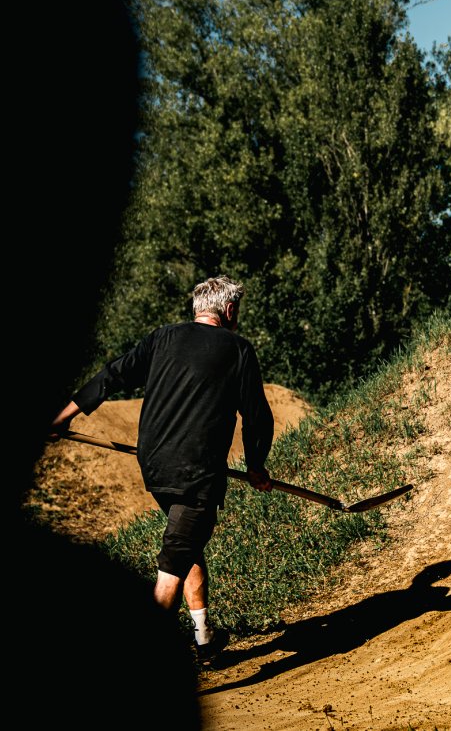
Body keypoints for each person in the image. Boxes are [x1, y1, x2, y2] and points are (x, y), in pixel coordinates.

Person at [51, 274, 276, 663]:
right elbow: (257, 417)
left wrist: (63, 416)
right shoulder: (238, 349)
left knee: (186, 545)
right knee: (173, 563)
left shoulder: (163, 337)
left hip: (154, 465)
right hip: (196, 474)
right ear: (230, 310)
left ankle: (204, 638)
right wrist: (256, 465)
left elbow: (112, 375)